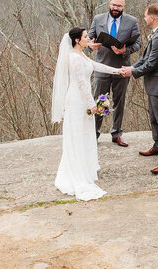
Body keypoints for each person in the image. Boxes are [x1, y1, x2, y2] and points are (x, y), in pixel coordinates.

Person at [51, 27, 128, 200]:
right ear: (77, 40)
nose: (89, 38)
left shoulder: (82, 55)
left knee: (84, 134)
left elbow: (96, 65)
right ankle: (77, 173)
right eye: (86, 37)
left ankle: (83, 167)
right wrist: (92, 104)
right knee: (77, 134)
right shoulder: (74, 58)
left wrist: (117, 71)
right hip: (77, 100)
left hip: (82, 99)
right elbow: (81, 83)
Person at [122, 3, 158, 174]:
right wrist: (131, 68)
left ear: (152, 18)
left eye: (145, 16)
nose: (144, 19)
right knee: (154, 118)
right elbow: (145, 57)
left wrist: (133, 72)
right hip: (154, 84)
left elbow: (151, 64)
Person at [88, 0, 142, 147]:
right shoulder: (98, 19)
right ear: (109, 4)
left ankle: (116, 133)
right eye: (113, 5)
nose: (115, 8)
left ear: (124, 7)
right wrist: (91, 45)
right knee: (99, 101)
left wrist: (125, 51)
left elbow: (138, 43)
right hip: (102, 67)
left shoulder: (132, 21)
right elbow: (89, 38)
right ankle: (94, 134)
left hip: (121, 68)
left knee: (119, 101)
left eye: (119, 6)